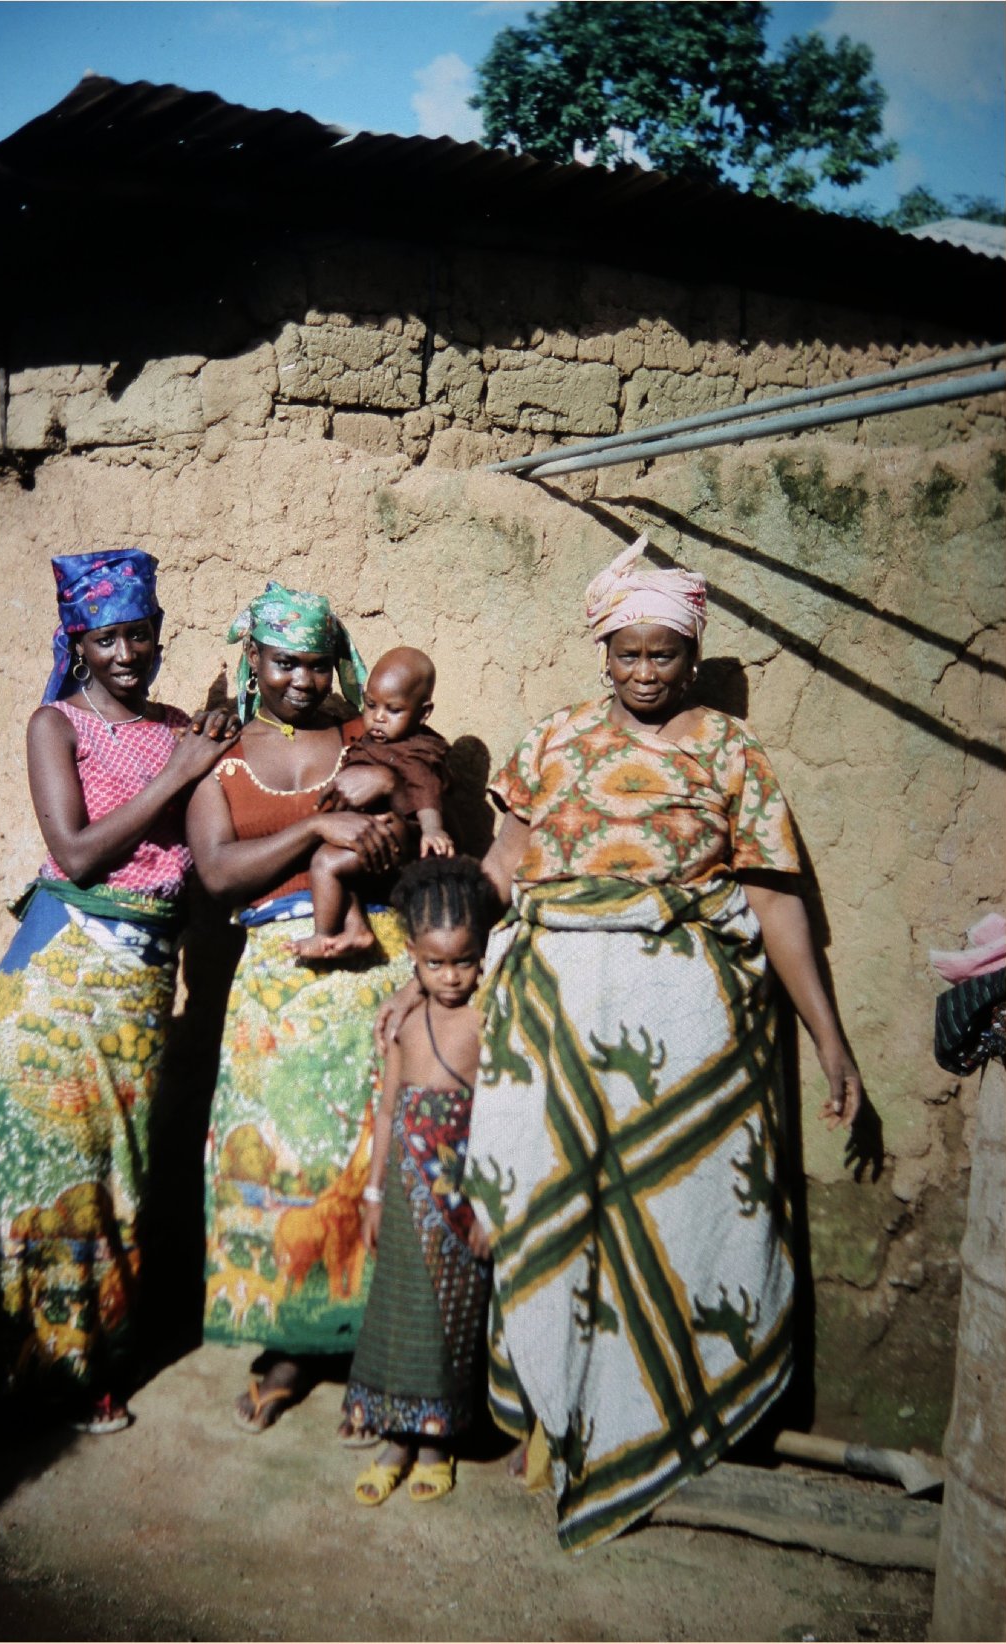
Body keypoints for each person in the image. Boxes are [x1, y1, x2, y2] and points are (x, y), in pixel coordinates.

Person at [459, 536, 863, 1552]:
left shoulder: (730, 753)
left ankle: (675, 1420)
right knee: (554, 1204)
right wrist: (448, 968)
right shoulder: (550, 740)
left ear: (692, 655)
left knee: (688, 1219)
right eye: (626, 656)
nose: (643, 675)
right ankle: (559, 1417)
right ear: (601, 651)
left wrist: (830, 1043)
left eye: (662, 658)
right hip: (555, 1010)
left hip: (686, 1024)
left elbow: (772, 898)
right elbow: (504, 859)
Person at [0, 549, 238, 1433]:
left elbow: (208, 862)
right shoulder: (55, 724)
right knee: (46, 1170)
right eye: (107, 637)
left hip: (140, 984)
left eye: (140, 634)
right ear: (79, 640)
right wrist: (179, 775)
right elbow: (74, 852)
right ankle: (24, 1366)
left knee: (116, 1175)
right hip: (57, 980)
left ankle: (85, 1356)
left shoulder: (179, 727)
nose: (127, 653)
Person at [187, 577, 412, 1437]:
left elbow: (403, 829)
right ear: (255, 657)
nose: (303, 682)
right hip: (274, 986)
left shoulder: (368, 738)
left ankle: (372, 1351)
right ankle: (286, 1349)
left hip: (369, 972)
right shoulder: (220, 754)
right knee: (276, 1163)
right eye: (285, 663)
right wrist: (316, 832)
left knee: (368, 1166)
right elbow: (218, 873)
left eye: (318, 666)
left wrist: (383, 829)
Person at [345, 856, 494, 1506]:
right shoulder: (405, 1022)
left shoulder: (490, 1020)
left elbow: (502, 1114)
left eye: (463, 961)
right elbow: (387, 1108)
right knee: (401, 1304)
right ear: (412, 956)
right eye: (435, 964)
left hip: (462, 1187)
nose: (451, 976)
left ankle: (437, 1441)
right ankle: (394, 1438)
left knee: (453, 1313)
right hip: (404, 1183)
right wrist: (373, 1193)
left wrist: (491, 1204)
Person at [290, 646, 453, 962]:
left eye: (393, 710)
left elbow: (426, 790)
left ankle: (324, 935)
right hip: (368, 829)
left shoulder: (415, 750)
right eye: (371, 705)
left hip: (396, 834)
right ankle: (358, 930)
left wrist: (433, 830)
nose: (378, 718)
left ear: (423, 712)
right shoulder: (370, 741)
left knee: (326, 863)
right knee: (333, 863)